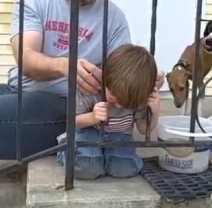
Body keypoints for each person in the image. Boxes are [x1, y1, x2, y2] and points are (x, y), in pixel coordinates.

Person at [0, 0, 164, 188]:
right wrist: (64, 66)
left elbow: (124, 74)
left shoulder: (114, 18)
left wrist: (148, 79)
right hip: (19, 89)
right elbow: (26, 59)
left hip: (69, 106)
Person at [57, 45, 161, 179]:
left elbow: (143, 129)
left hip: (120, 136)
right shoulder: (92, 91)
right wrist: (93, 117)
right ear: (106, 79)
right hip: (90, 133)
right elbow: (73, 121)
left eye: (124, 103)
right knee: (86, 168)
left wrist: (155, 112)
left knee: (125, 169)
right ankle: (65, 150)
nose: (117, 105)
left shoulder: (138, 95)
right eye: (113, 96)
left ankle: (105, 157)